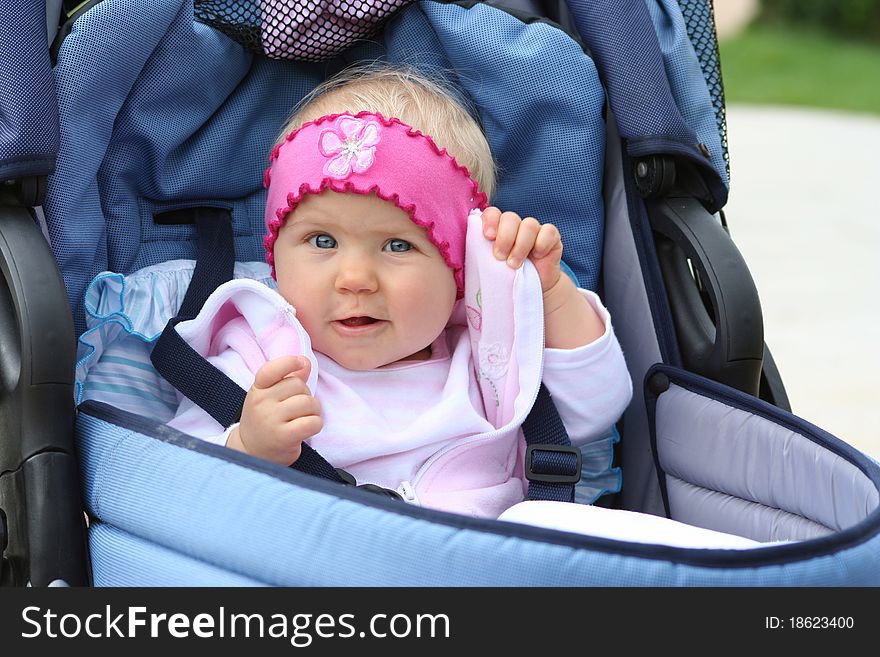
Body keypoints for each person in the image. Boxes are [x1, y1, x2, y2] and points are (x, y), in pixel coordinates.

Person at [168, 64, 633, 519]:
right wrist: (248, 447)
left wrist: (548, 291)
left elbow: (597, 407)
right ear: (276, 257)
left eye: (397, 245)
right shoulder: (258, 360)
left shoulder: (487, 357)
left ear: (459, 266)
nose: (355, 278)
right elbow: (173, 486)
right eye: (322, 241)